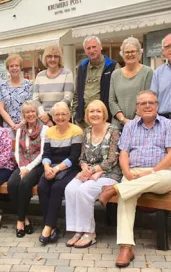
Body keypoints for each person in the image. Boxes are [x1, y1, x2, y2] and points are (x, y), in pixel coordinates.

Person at [99, 90, 171, 268]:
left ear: (157, 105)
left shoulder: (170, 125)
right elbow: (123, 153)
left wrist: (151, 171)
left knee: (168, 177)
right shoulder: (130, 126)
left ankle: (115, 189)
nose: (147, 106)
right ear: (137, 108)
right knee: (126, 196)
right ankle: (126, 247)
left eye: (151, 102)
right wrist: (127, 172)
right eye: (143, 103)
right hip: (134, 173)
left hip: (160, 173)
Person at [64, 100, 121, 248]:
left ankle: (90, 233)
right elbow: (82, 157)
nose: (95, 114)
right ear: (87, 115)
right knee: (70, 188)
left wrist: (94, 170)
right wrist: (84, 167)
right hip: (89, 173)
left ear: (104, 114)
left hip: (110, 175)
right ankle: (78, 230)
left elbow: (113, 159)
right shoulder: (87, 131)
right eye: (91, 111)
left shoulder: (113, 130)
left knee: (84, 190)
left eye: (98, 111)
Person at [37, 101, 83, 244]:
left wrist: (56, 169)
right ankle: (52, 227)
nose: (60, 117)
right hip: (51, 167)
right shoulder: (50, 131)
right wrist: (46, 167)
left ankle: (48, 226)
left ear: (69, 115)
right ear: (53, 116)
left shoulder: (76, 131)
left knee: (57, 188)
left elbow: (74, 157)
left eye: (63, 114)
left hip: (70, 168)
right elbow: (46, 154)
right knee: (42, 187)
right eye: (57, 114)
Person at [7, 100, 48, 237]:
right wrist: (22, 166)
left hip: (37, 166)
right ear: (23, 115)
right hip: (23, 164)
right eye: (27, 112)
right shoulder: (20, 130)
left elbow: (42, 153)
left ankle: (19, 221)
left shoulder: (44, 129)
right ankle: (25, 218)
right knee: (12, 184)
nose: (30, 114)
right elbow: (18, 151)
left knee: (24, 184)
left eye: (32, 111)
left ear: (36, 113)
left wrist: (28, 168)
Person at [73, 36, 119, 128]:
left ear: (100, 47)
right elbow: (77, 93)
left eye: (94, 47)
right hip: (83, 122)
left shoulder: (113, 66)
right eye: (88, 48)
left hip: (105, 120)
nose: (91, 50)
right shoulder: (81, 68)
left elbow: (118, 95)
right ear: (85, 51)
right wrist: (75, 114)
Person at [109, 37, 153, 129]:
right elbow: (112, 101)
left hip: (141, 124)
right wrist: (123, 119)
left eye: (133, 51)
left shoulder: (148, 72)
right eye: (127, 52)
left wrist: (135, 120)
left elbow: (148, 99)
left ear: (139, 53)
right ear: (122, 54)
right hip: (118, 125)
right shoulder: (115, 74)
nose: (130, 54)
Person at [33, 45, 74, 127]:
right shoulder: (39, 76)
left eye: (56, 56)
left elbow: (67, 98)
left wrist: (50, 115)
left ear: (60, 59)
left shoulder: (67, 74)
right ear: (45, 58)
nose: (52, 59)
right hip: (43, 121)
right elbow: (35, 100)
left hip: (61, 119)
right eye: (49, 56)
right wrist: (44, 117)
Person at [0, 54, 32, 137]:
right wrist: (13, 125)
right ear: (8, 68)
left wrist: (21, 123)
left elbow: (31, 106)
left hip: (26, 125)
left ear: (20, 67)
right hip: (9, 127)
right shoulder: (3, 86)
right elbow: (1, 109)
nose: (14, 68)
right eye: (11, 66)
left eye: (17, 65)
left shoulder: (28, 84)